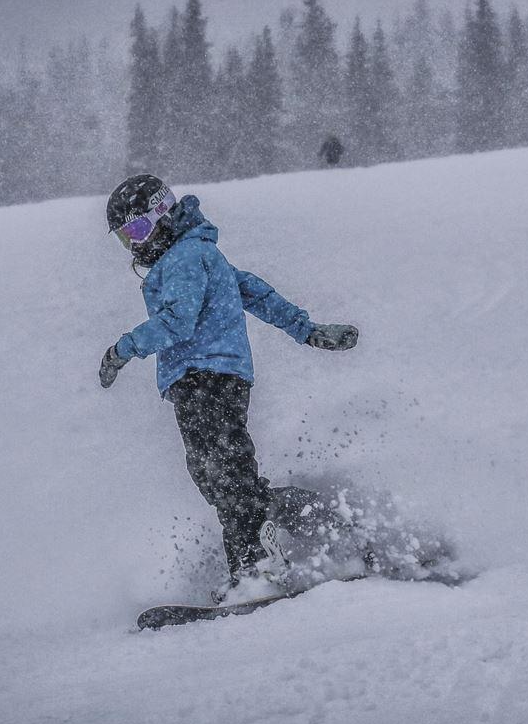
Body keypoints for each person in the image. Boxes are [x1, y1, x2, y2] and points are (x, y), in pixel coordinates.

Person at [99, 174, 358, 591]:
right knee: (220, 474)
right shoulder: (198, 254)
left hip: (205, 376)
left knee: (226, 476)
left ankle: (258, 570)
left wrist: (124, 348)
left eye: (138, 230)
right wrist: (306, 329)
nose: (135, 246)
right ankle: (305, 514)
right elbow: (254, 293)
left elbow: (178, 322)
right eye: (126, 238)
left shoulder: (183, 258)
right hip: (213, 376)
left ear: (162, 217)